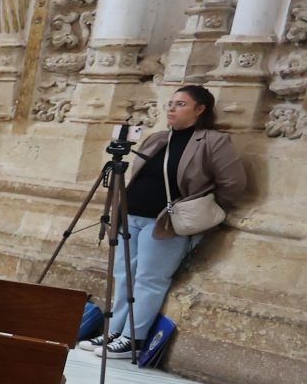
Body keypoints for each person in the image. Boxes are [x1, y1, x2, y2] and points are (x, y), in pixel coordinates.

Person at [85, 83, 249, 357]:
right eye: (170, 104)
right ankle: (114, 330)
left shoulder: (212, 141)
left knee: (149, 279)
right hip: (132, 216)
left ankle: (132, 339)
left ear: (200, 109)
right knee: (124, 276)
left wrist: (202, 210)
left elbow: (233, 183)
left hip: (165, 223)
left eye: (181, 104)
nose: (172, 108)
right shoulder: (158, 138)